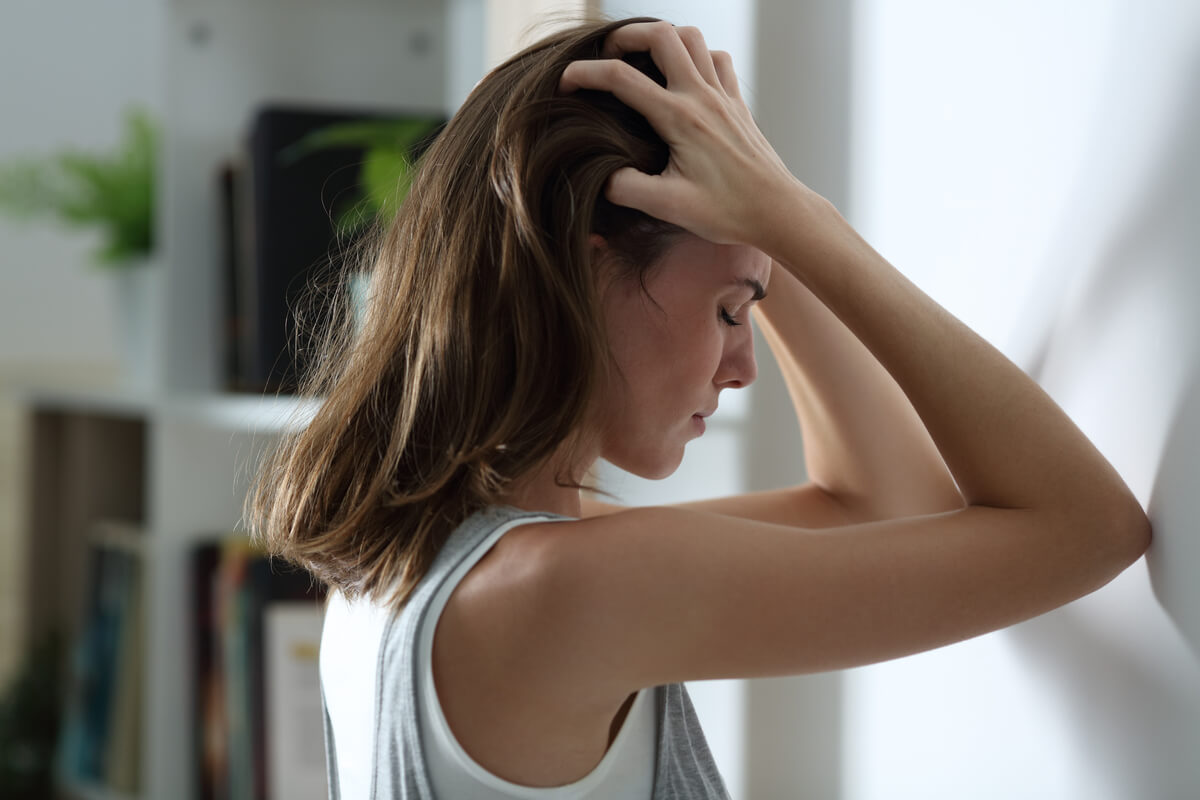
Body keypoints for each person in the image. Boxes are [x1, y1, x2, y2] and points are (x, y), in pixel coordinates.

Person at [247, 16, 1151, 800]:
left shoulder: (406, 565)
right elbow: (1089, 527)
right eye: (728, 311)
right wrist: (795, 217)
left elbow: (884, 506)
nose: (743, 366)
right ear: (591, 268)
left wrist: (760, 219)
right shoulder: (566, 591)